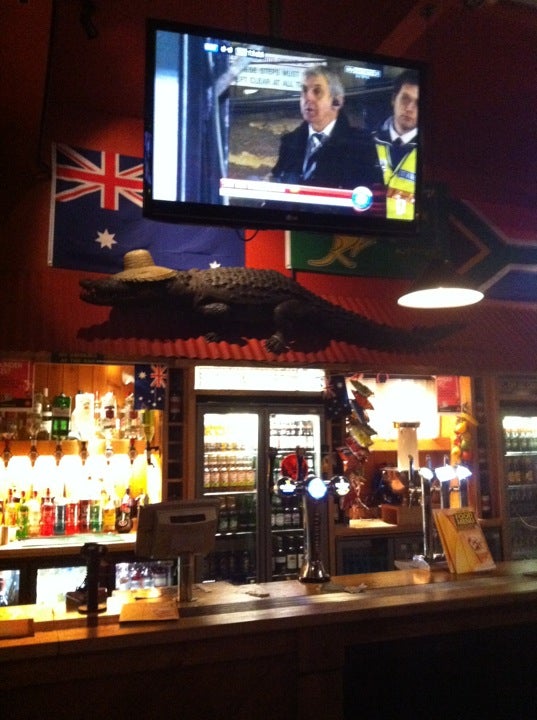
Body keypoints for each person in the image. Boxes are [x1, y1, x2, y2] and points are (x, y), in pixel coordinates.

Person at [269, 65, 382, 196]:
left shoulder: (360, 145)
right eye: (304, 90)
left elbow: (362, 197)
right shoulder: (289, 142)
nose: (308, 97)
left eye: (317, 91)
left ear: (337, 101)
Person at [373, 69, 419, 220]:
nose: (409, 108)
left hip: (408, 233)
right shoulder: (367, 143)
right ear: (394, 99)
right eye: (405, 99)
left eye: (418, 103)